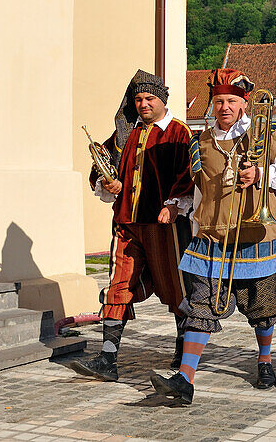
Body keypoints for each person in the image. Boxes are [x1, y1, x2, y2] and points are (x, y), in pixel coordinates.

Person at [149, 69, 276, 404]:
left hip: (256, 233)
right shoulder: (200, 141)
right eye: (219, 101)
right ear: (212, 104)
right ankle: (185, 380)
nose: (225, 107)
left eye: (231, 100)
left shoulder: (266, 134)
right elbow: (195, 186)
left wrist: (262, 173)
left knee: (262, 304)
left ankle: (264, 361)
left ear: (244, 103)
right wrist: (176, 205)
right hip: (211, 233)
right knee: (201, 304)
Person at [70, 71, 193, 383]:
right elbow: (101, 165)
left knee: (175, 285)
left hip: (163, 226)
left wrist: (174, 204)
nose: (143, 104)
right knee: (118, 286)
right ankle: (108, 358)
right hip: (127, 223)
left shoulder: (179, 133)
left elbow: (189, 176)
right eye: (138, 99)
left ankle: (184, 347)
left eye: (149, 99)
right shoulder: (125, 134)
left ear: (163, 101)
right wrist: (105, 182)